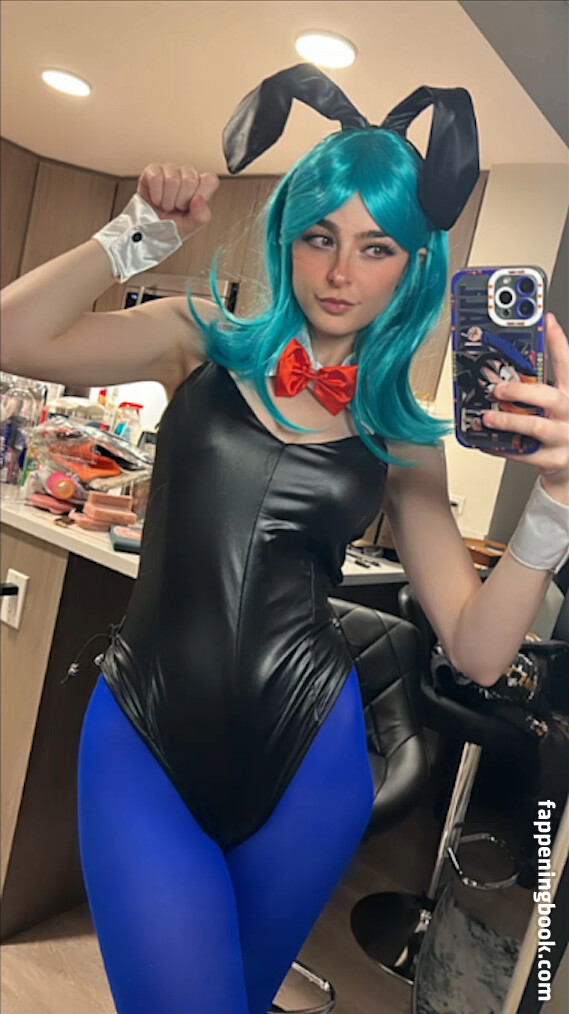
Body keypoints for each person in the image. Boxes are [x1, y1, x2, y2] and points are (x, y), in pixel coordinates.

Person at [1, 66, 568, 1014]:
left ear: (412, 264)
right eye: (320, 237)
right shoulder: (195, 338)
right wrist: (131, 236)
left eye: (375, 247)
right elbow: (12, 335)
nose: (341, 273)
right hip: (142, 729)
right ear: (289, 238)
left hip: (310, 763)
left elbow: (476, 649)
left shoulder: (401, 435)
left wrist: (553, 507)